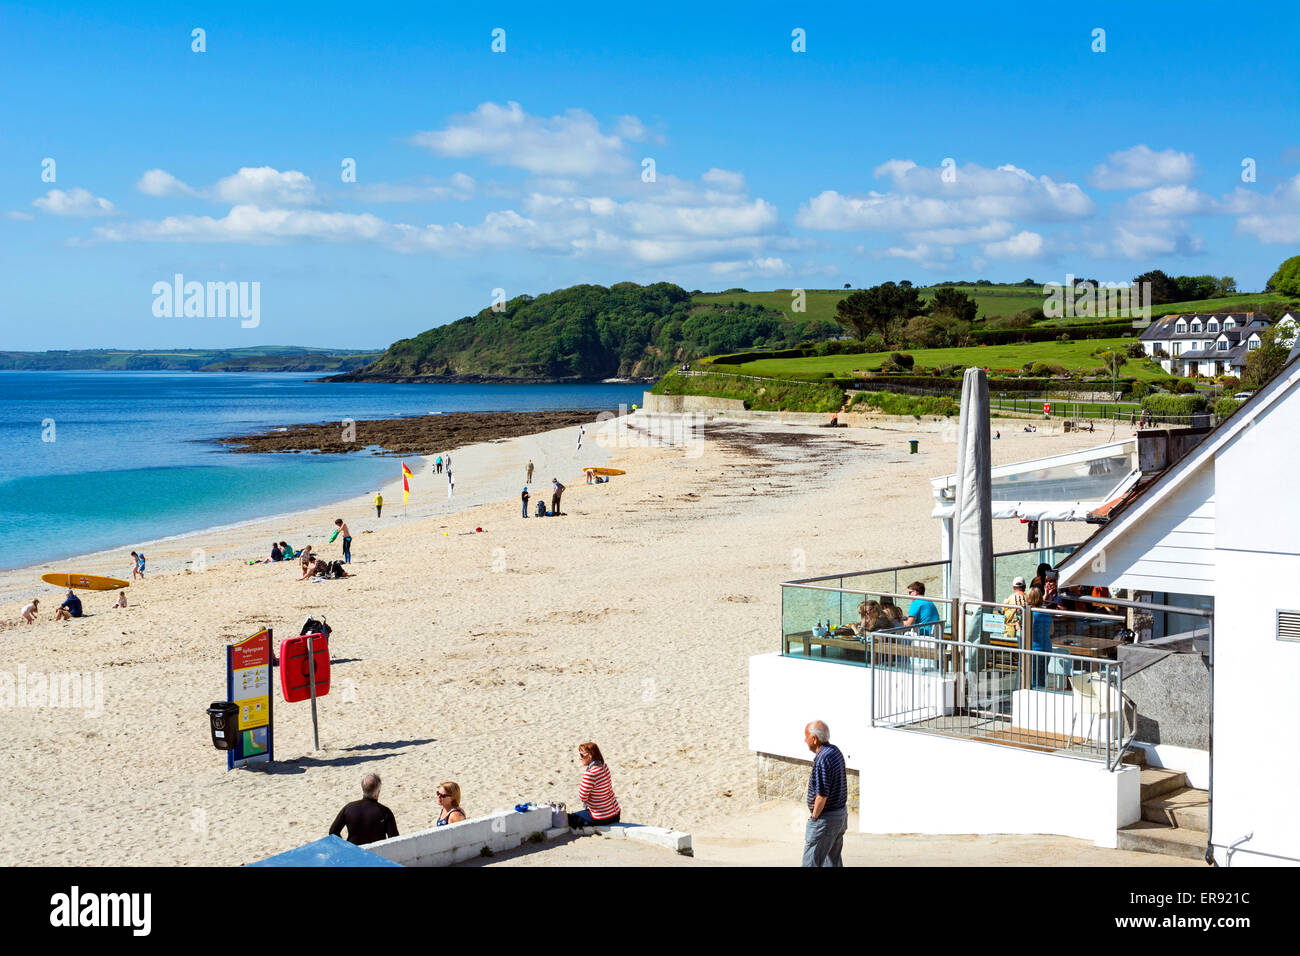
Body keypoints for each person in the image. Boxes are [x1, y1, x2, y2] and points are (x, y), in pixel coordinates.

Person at [802, 720, 848, 867]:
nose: (805, 740)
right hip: (840, 816)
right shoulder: (835, 751)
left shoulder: (823, 758)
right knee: (832, 861)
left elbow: (822, 795)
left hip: (826, 819)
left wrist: (814, 818)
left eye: (806, 736)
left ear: (814, 739)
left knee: (811, 862)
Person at [329, 773, 399, 846]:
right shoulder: (385, 812)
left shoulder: (349, 808)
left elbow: (333, 832)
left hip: (355, 852)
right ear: (378, 792)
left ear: (363, 789)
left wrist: (345, 847)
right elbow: (395, 840)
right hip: (377, 854)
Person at [568, 741, 620, 827]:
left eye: (582, 755)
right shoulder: (604, 767)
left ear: (590, 756)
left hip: (602, 817)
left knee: (568, 818)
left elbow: (582, 797)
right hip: (615, 813)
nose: (580, 758)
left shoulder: (590, 774)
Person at [1003, 576, 1029, 644]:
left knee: (1009, 649)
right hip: (1025, 628)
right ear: (1025, 587)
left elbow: (1003, 610)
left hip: (1011, 628)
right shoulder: (1028, 597)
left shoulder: (1010, 598)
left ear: (1013, 587)